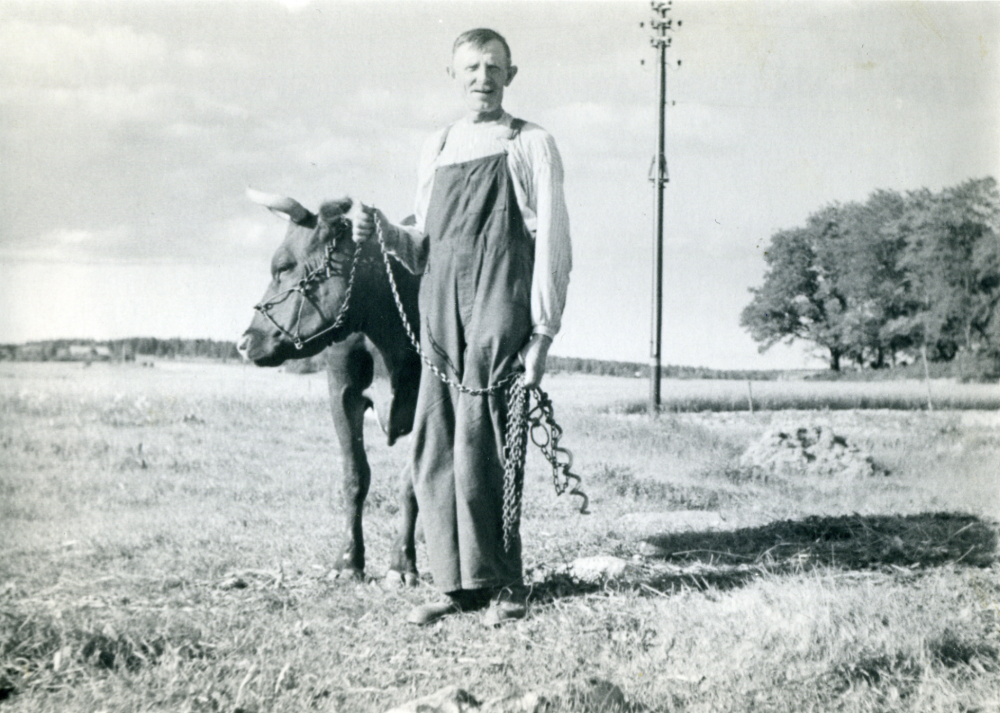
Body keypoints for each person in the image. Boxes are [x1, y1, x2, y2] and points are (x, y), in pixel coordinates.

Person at [351, 28, 572, 626]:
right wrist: (383, 233)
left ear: (511, 74)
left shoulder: (533, 144)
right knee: (436, 442)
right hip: (439, 303)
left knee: (491, 439)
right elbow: (422, 244)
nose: (483, 77)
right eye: (472, 67)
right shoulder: (438, 144)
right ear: (454, 75)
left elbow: (553, 242)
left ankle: (505, 585)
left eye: (494, 67)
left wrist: (543, 334)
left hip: (502, 299)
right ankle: (455, 585)